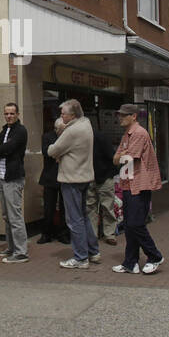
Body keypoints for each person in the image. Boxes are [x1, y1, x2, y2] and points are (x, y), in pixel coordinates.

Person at [112, 103, 165, 275]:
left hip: (139, 185)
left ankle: (154, 256)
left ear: (134, 116)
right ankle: (130, 262)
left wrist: (122, 155)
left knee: (135, 224)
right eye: (119, 115)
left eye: (123, 115)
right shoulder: (127, 135)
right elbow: (116, 159)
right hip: (128, 183)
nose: (120, 118)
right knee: (129, 225)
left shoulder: (139, 133)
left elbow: (127, 157)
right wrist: (121, 155)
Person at [47, 100, 98, 269]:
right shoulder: (86, 124)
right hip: (84, 177)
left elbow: (52, 150)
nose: (61, 116)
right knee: (83, 216)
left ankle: (81, 257)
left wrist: (61, 134)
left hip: (71, 179)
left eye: (63, 114)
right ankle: (93, 251)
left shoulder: (72, 131)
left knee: (73, 219)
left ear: (73, 115)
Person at [0, 103, 30, 263]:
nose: (9, 116)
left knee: (15, 216)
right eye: (6, 113)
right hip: (4, 176)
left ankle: (21, 252)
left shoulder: (20, 131)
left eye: (12, 113)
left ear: (18, 114)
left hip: (14, 178)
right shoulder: (5, 130)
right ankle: (11, 247)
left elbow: (8, 148)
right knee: (7, 215)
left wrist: (3, 148)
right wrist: (3, 148)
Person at [87, 125, 119, 245]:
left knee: (97, 207)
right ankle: (103, 234)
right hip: (96, 176)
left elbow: (111, 156)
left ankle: (103, 234)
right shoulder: (98, 137)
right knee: (103, 207)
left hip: (101, 176)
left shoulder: (100, 138)